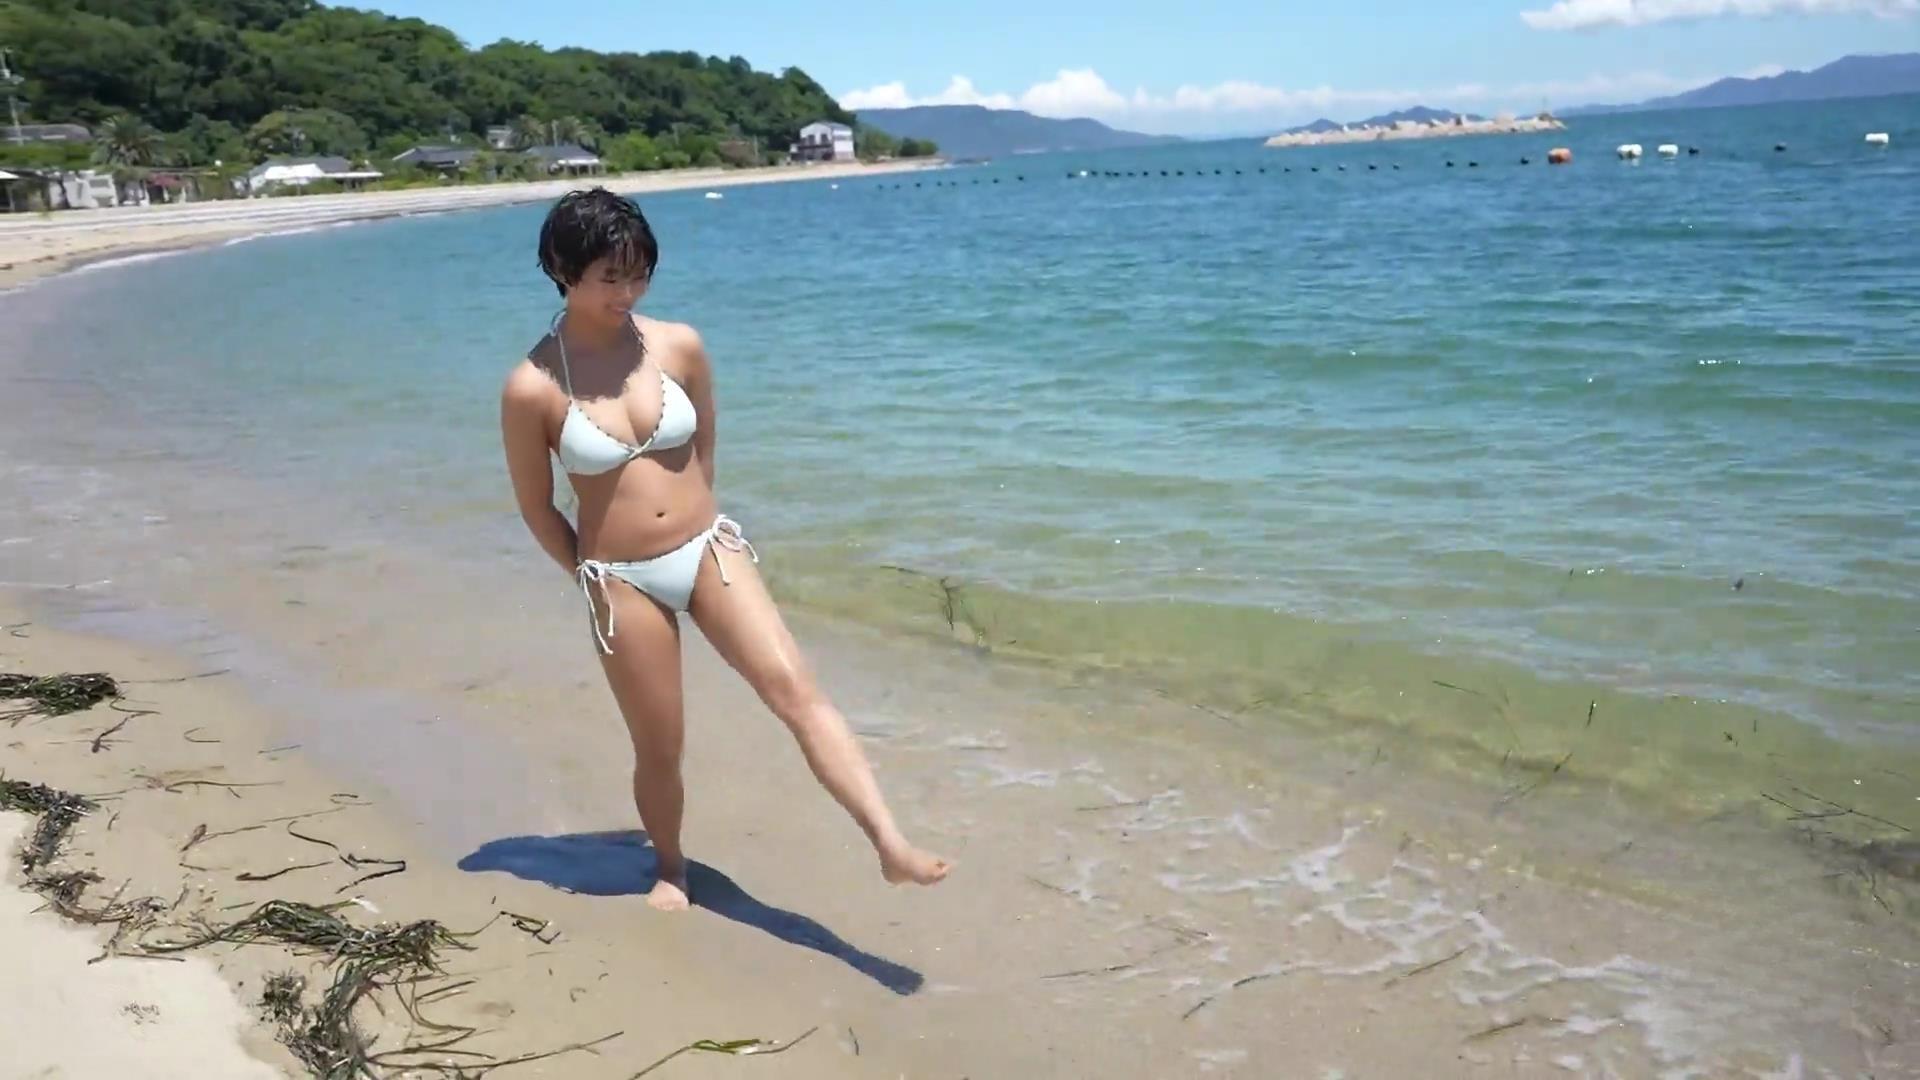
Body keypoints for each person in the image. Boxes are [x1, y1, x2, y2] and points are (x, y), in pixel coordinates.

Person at [499, 188, 950, 911]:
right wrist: (590, 578)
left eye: (638, 274)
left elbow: (704, 444)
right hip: (620, 579)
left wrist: (696, 519)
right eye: (609, 277)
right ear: (562, 269)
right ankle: (670, 866)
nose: (627, 292)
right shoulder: (532, 387)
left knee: (797, 693)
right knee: (661, 746)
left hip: (709, 551)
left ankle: (890, 844)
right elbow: (536, 506)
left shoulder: (678, 345)